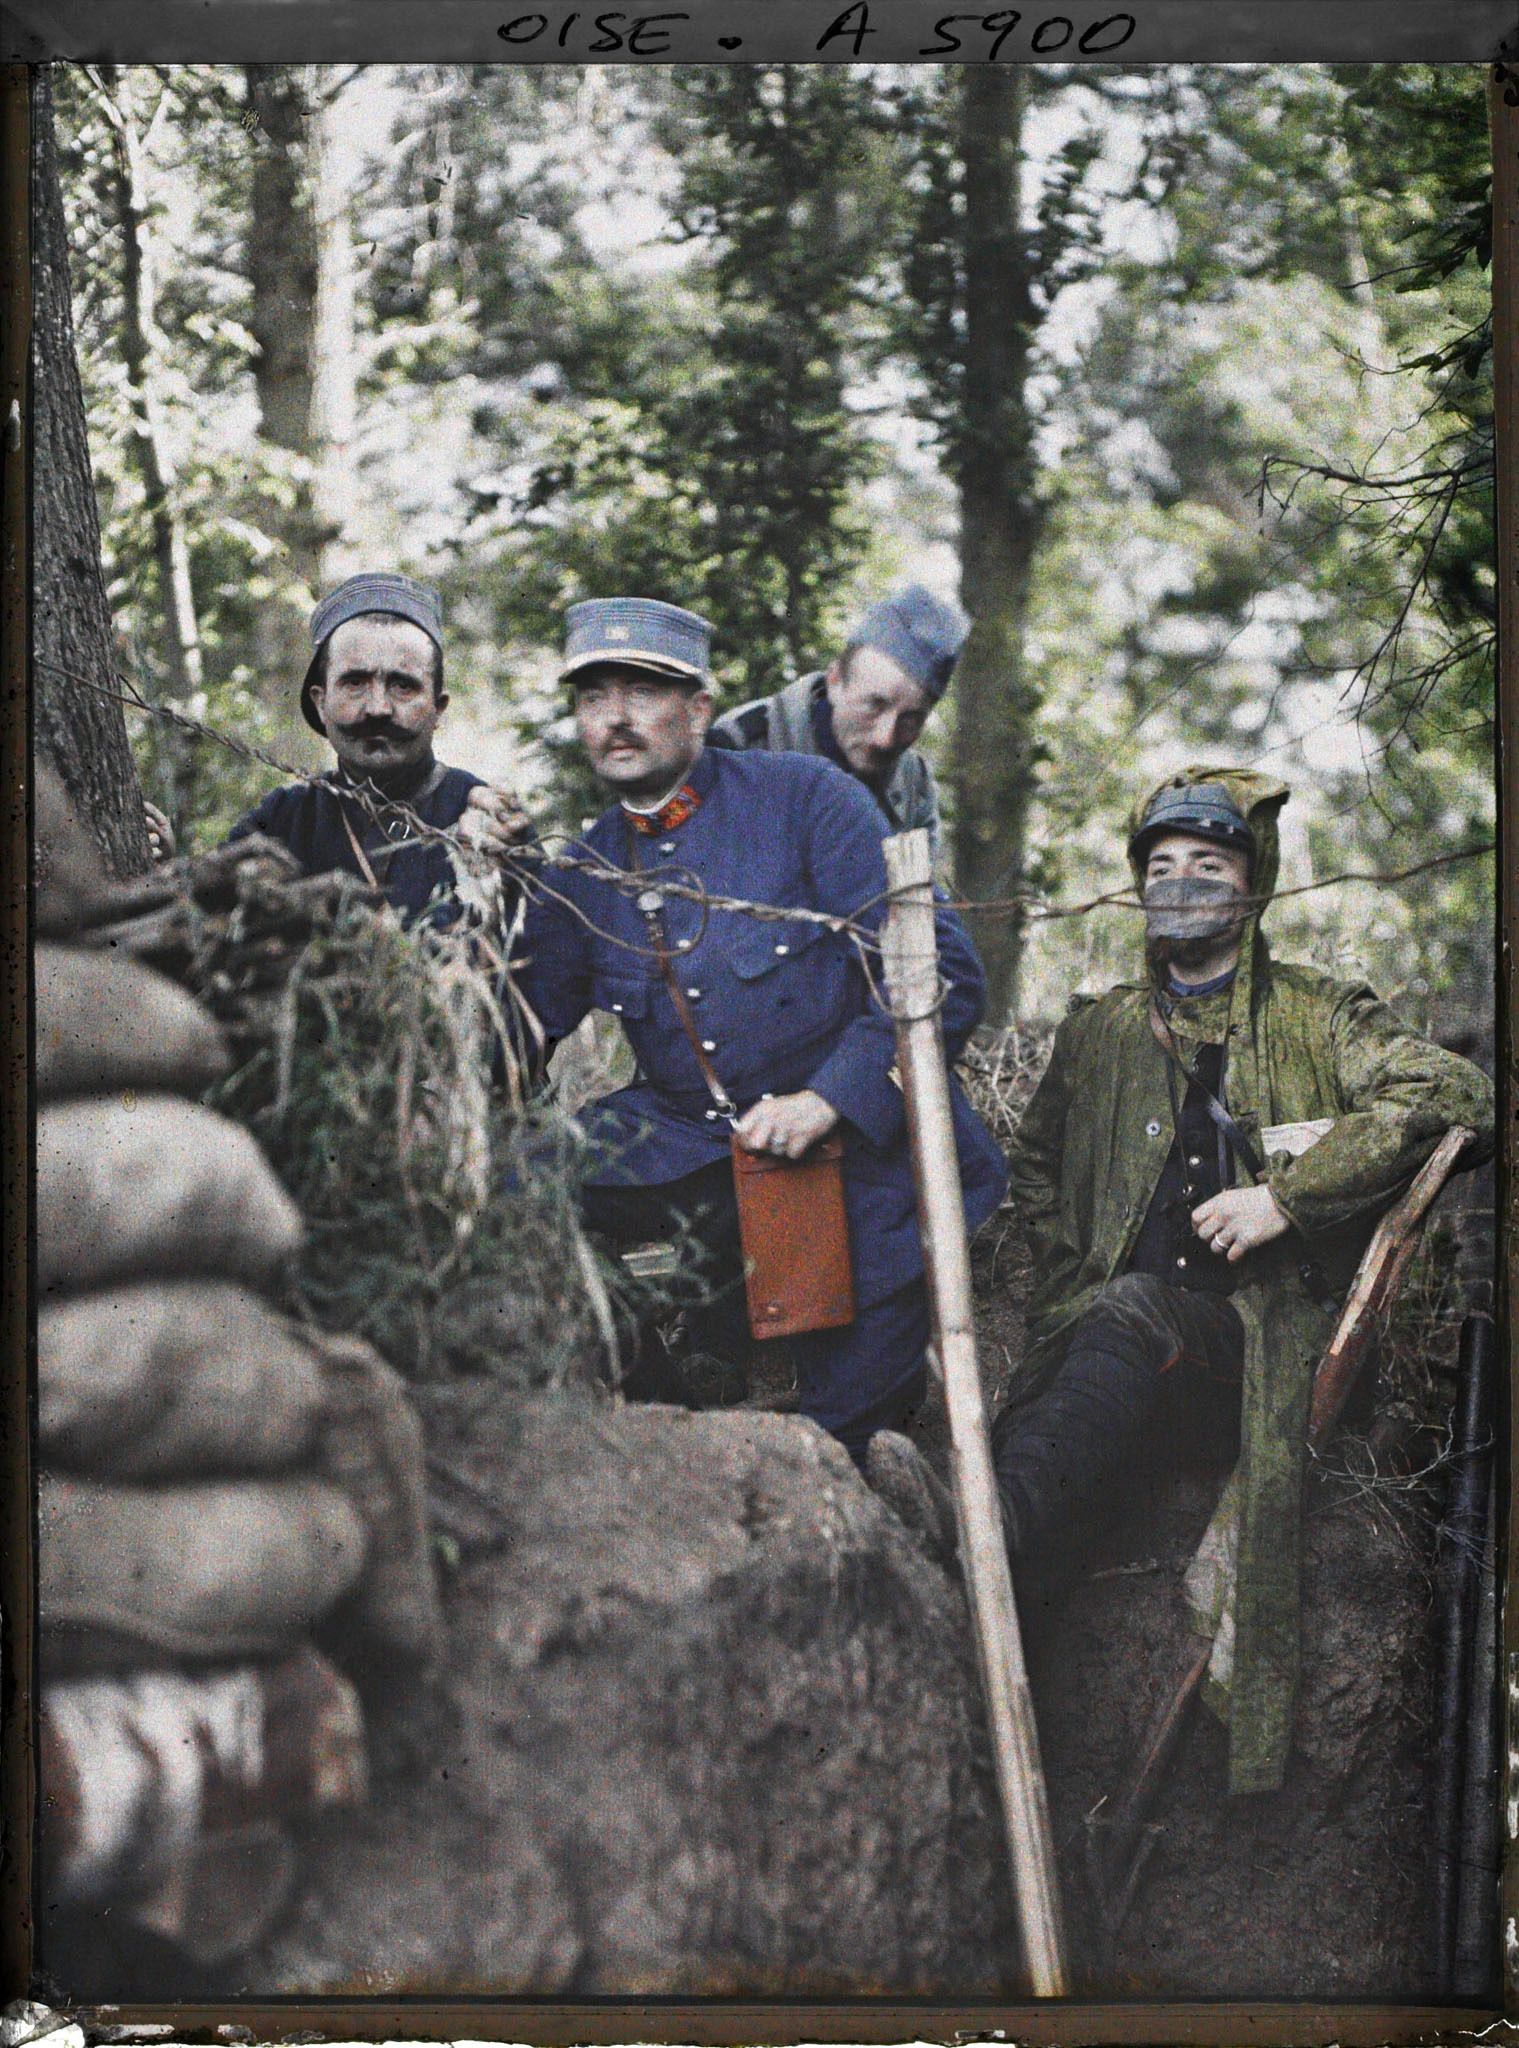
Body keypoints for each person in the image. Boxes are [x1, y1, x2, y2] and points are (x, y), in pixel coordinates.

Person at [880, 767, 1494, 1794]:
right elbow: (1032, 1165)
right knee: (1109, 1322)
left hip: (1260, 1360)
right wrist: (1060, 1279)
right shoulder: (1102, 1027)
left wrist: (1288, 1200)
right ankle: (976, 1667)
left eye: (1206, 864)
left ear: (1251, 890)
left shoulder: (1316, 1011)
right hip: (1116, 1352)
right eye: (1157, 866)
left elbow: (1456, 1091)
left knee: (1130, 1315)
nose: (1178, 883)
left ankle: (978, 1532)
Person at [513, 596, 1007, 1467]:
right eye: (595, 697)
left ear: (699, 710)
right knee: (520, 1187)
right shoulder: (582, 869)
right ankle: (665, 1410)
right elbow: (512, 1027)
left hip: (861, 1165)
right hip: (696, 1149)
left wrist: (829, 1098)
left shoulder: (808, 798)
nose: (618, 719)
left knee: (842, 1443)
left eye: (645, 692)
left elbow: (945, 975)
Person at [146, 573, 526, 926]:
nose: (378, 708)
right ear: (320, 702)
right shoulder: (281, 821)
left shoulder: (483, 818)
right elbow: (209, 923)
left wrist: (506, 867)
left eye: (403, 686)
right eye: (355, 682)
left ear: (437, 709)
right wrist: (168, 870)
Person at [707, 583, 969, 855]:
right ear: (834, 681)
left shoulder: (915, 785)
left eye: (910, 720)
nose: (884, 738)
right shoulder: (737, 747)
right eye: (873, 705)